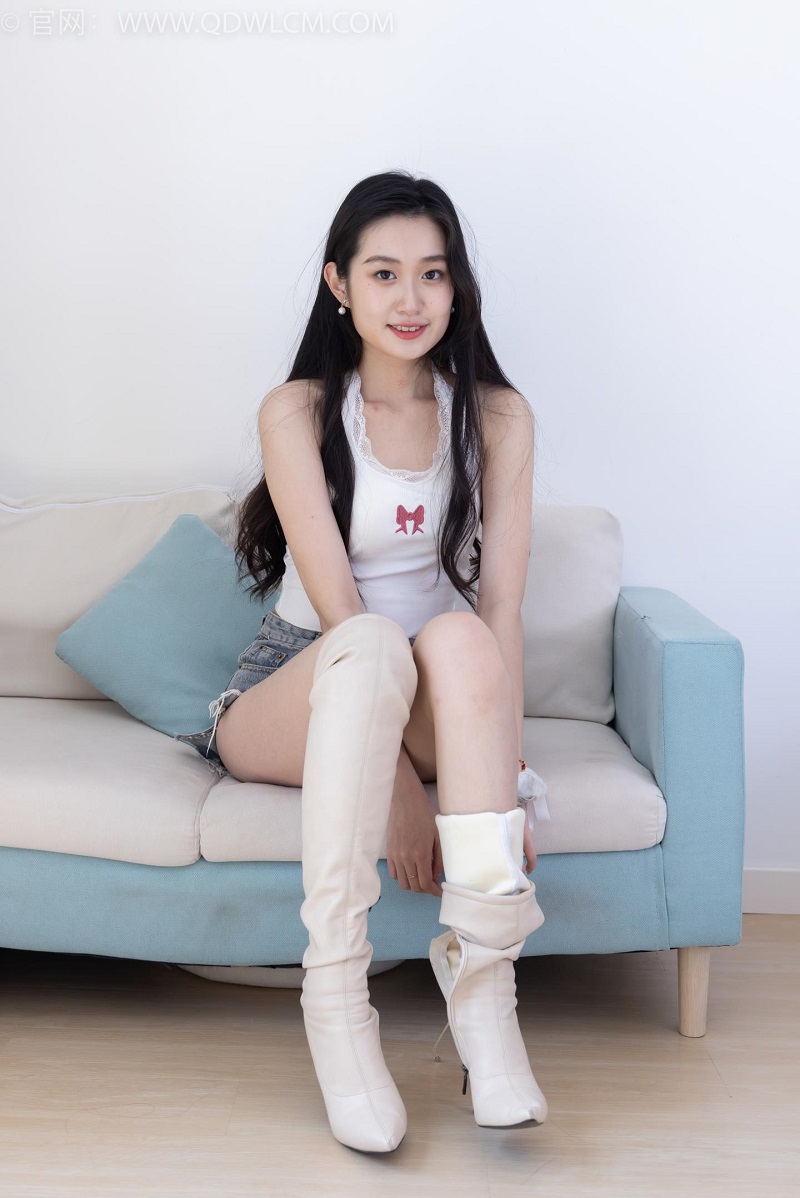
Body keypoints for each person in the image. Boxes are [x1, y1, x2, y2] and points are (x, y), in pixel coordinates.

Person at [174, 170, 550, 1153]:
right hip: (297, 682)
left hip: (427, 685)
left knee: (461, 635)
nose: (410, 298)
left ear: (456, 286)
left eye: (432, 273)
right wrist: (398, 796)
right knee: (373, 639)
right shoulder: (298, 410)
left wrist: (505, 781)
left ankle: (485, 994)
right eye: (383, 273)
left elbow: (501, 607)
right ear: (338, 284)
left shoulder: (497, 417)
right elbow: (342, 618)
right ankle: (336, 1005)